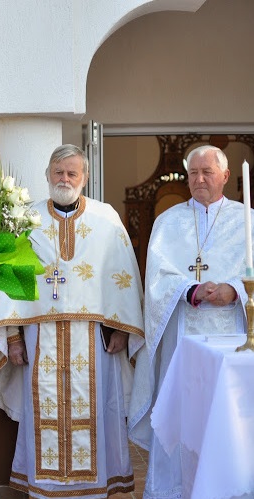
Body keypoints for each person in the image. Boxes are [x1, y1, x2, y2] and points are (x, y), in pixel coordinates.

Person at [0, 144, 145, 498]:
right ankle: (43, 488)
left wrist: (120, 327)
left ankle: (95, 487)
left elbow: (122, 278)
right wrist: (12, 336)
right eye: (58, 172)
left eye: (72, 172)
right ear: (47, 175)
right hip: (37, 336)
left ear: (84, 178)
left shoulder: (106, 220)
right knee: (40, 411)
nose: (64, 179)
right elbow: (10, 279)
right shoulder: (25, 220)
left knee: (99, 410)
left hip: (93, 338)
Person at [129, 145, 252, 499]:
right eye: (193, 173)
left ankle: (230, 488)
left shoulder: (249, 222)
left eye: (207, 172)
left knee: (224, 418)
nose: (198, 179)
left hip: (231, 338)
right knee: (183, 416)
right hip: (181, 336)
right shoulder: (168, 222)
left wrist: (234, 291)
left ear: (225, 177)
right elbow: (156, 279)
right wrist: (190, 290)